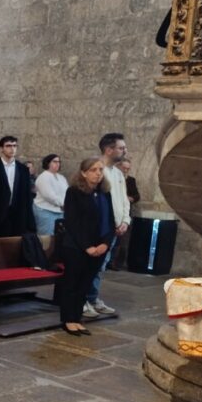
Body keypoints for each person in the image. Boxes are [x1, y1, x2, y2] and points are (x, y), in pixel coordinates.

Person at [57, 158, 114, 335]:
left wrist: (105, 243)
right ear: (83, 173)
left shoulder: (105, 193)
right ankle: (68, 320)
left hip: (99, 246)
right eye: (93, 170)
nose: (98, 173)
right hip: (76, 246)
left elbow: (109, 220)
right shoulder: (74, 192)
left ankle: (77, 318)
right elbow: (72, 222)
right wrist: (87, 246)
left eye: (100, 170)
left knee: (85, 284)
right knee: (72, 284)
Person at [84, 132, 130, 317]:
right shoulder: (96, 170)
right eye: (121, 148)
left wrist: (125, 220)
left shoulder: (118, 173)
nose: (124, 150)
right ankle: (84, 300)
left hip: (114, 228)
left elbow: (123, 200)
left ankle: (93, 298)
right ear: (109, 150)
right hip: (99, 228)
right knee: (90, 266)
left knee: (100, 267)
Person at [0, 135, 34, 237]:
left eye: (14, 146)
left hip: (17, 215)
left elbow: (27, 196)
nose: (12, 149)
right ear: (1, 148)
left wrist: (29, 220)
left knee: (15, 247)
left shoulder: (23, 169)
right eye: (8, 146)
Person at [110, 158, 140, 270]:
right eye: (124, 168)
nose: (126, 171)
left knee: (121, 239)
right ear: (119, 166)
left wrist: (130, 198)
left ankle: (114, 262)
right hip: (114, 210)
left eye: (128, 169)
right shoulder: (113, 177)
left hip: (125, 211)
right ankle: (107, 260)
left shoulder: (130, 180)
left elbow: (136, 196)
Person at [33, 154, 68, 236]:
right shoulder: (43, 177)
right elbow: (49, 196)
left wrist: (67, 203)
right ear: (48, 163)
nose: (57, 164)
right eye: (54, 162)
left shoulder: (61, 177)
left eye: (59, 162)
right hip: (45, 211)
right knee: (46, 237)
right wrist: (64, 204)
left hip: (60, 212)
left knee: (59, 237)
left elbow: (67, 192)